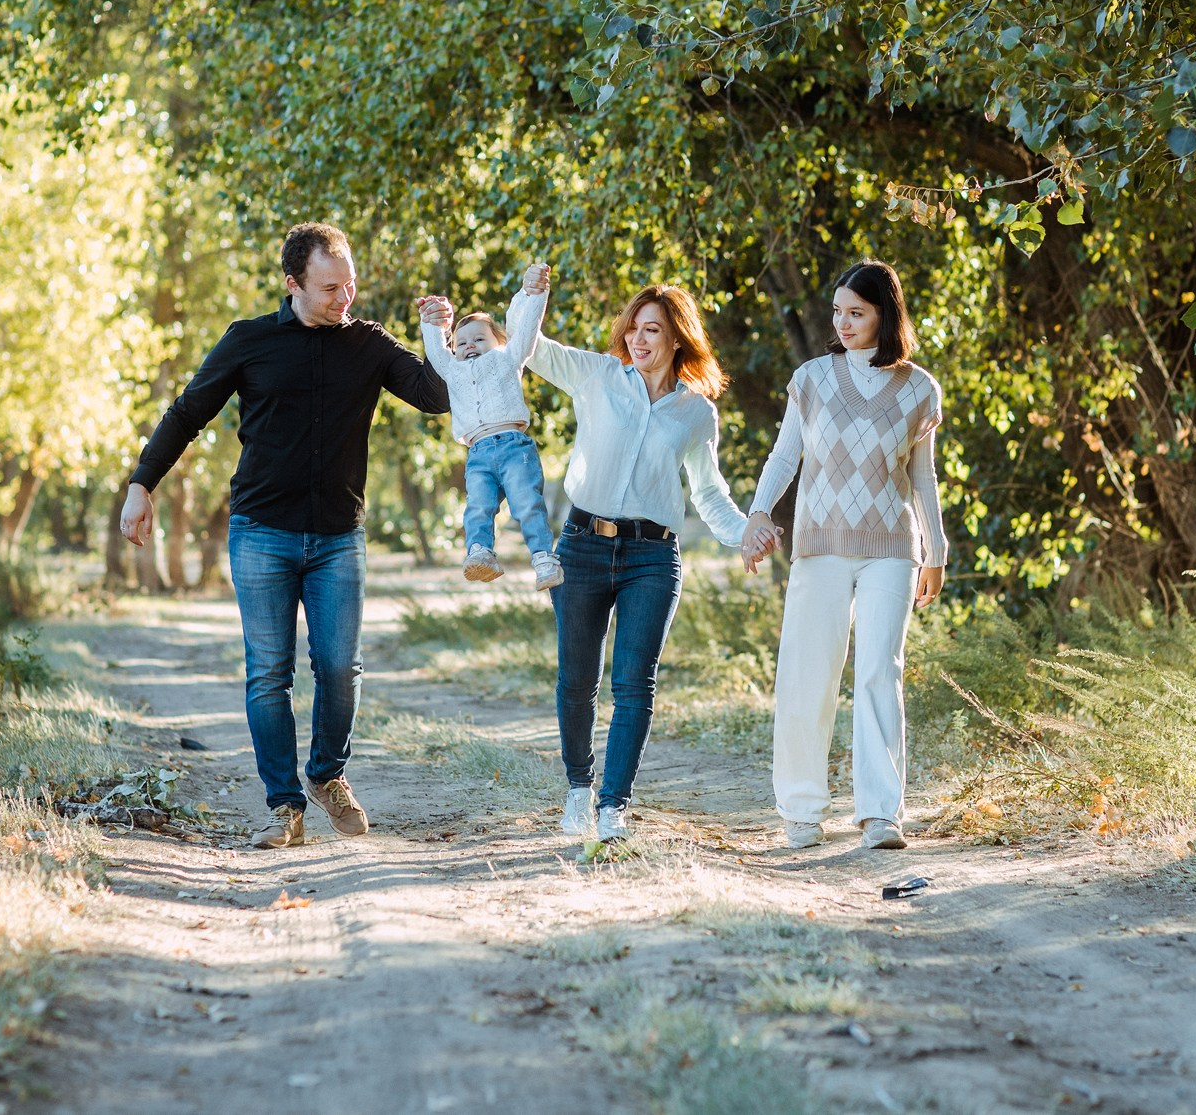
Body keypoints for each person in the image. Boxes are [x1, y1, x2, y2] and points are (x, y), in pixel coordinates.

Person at [122, 222, 450, 849]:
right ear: (294, 283)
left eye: (350, 285)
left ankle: (327, 775)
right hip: (261, 533)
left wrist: (438, 333)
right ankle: (284, 807)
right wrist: (142, 484)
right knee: (268, 674)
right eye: (331, 288)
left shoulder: (371, 345)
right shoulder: (248, 342)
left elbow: (437, 396)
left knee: (340, 668)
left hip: (337, 538)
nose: (344, 298)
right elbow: (188, 412)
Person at [433, 269, 752, 844]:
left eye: (651, 329)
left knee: (635, 684)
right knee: (577, 679)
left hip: (653, 559)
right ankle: (579, 790)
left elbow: (709, 493)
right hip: (580, 547)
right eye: (633, 328)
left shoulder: (696, 413)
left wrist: (746, 532)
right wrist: (529, 293)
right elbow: (528, 346)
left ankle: (614, 807)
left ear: (677, 337)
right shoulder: (598, 374)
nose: (638, 338)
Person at [741, 260, 947, 852]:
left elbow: (923, 478)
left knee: (882, 671)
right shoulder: (812, 379)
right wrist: (758, 512)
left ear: (886, 314)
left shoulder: (918, 388)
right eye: (838, 312)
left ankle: (881, 814)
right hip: (820, 545)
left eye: (857, 312)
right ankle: (801, 812)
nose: (844, 322)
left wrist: (936, 549)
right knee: (809, 673)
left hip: (891, 548)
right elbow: (785, 457)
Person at [419, 263, 562, 591]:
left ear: (499, 341)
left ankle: (544, 558)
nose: (468, 345)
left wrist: (536, 292)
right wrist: (433, 322)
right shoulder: (452, 371)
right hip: (479, 453)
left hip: (514, 446)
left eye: (479, 338)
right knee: (478, 506)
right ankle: (480, 552)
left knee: (527, 503)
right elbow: (436, 351)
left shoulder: (508, 358)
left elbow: (526, 328)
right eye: (461, 342)